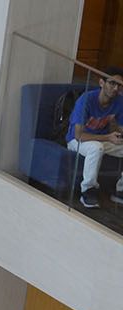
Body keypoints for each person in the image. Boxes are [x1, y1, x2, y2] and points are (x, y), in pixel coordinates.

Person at [68, 68, 123, 209]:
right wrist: (108, 137)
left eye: (120, 85)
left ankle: (120, 191)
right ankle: (87, 190)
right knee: (96, 147)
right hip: (77, 141)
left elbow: (121, 129)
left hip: (102, 139)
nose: (116, 88)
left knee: (99, 145)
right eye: (112, 83)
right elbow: (78, 135)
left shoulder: (119, 102)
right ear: (101, 83)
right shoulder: (86, 100)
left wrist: (118, 136)